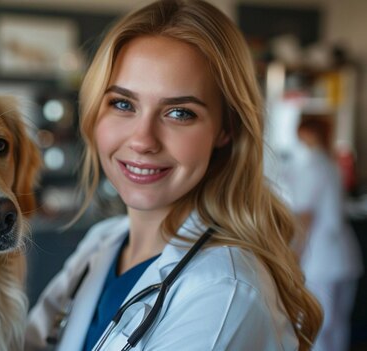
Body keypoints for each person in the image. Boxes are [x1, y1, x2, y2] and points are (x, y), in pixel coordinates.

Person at [25, 0, 322, 350]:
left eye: (179, 112)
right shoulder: (103, 243)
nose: (142, 140)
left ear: (225, 129)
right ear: (93, 113)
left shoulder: (224, 294)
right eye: (123, 104)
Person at [286, 116, 363, 351]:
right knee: (338, 325)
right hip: (345, 255)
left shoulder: (313, 167)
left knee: (318, 326)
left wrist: (293, 255)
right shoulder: (330, 164)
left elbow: (305, 217)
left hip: (321, 258)